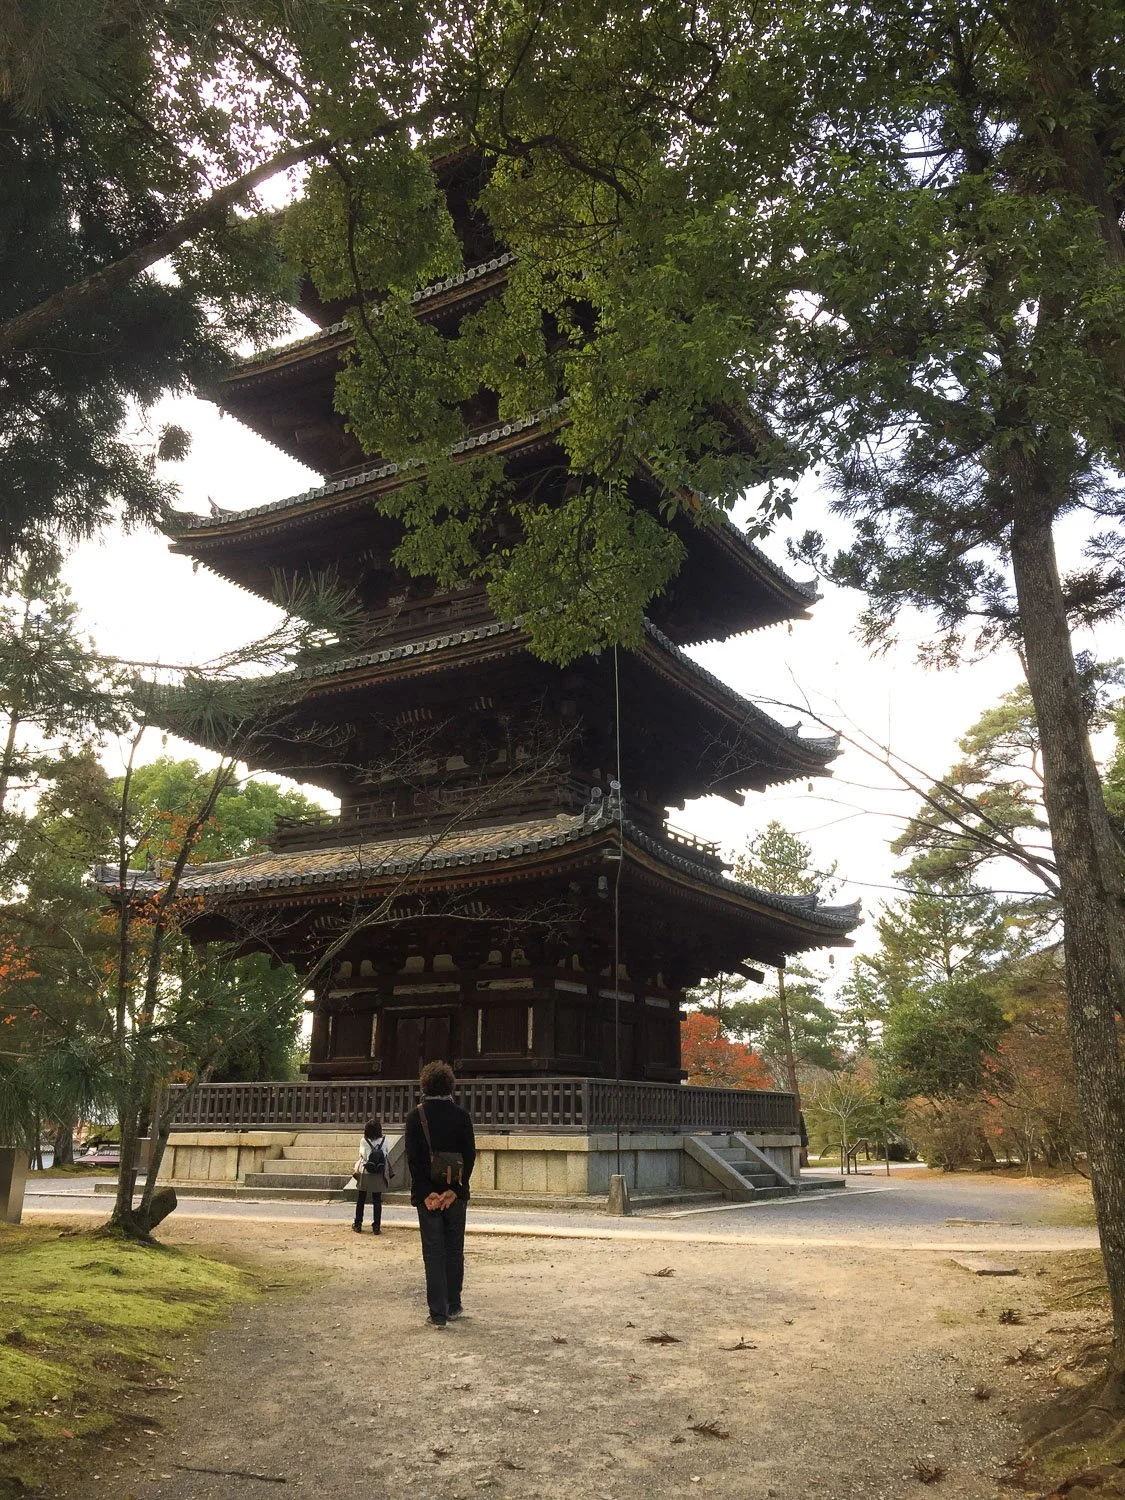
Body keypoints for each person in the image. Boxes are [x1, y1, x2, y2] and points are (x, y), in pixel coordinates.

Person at [404, 1060, 475, 1328]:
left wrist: (426, 1194)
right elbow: (469, 1155)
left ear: (424, 1085)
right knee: (454, 1249)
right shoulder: (461, 1116)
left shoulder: (415, 1117)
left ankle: (438, 1313)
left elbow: (414, 1159)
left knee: (433, 1252)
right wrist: (455, 1191)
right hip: (454, 1196)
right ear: (450, 1085)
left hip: (428, 1197)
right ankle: (454, 1304)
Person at [352, 1118, 392, 1235]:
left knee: (361, 1198)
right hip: (378, 1173)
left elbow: (362, 1155)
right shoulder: (384, 1140)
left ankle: (358, 1224)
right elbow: (386, 1154)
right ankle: (376, 1226)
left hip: (366, 1171)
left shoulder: (364, 1141)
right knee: (377, 1200)